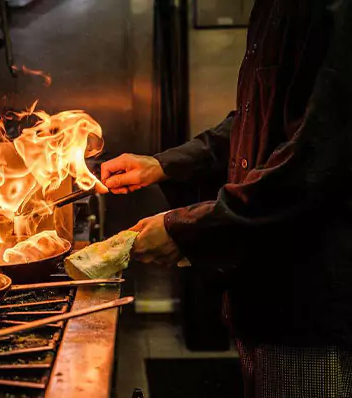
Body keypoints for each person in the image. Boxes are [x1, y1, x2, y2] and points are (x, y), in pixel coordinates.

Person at [99, 1, 352, 396]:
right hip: (264, 293)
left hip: (313, 303)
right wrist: (162, 164)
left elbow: (312, 163)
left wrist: (187, 229)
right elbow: (256, 120)